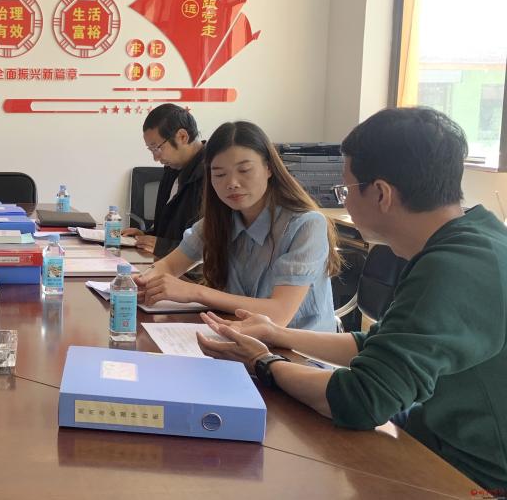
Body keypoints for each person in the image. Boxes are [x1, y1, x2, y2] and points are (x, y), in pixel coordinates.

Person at [196, 107, 507, 492]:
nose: (342, 200)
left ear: (381, 194)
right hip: (431, 434)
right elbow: (381, 345)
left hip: (470, 474)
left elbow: (361, 399)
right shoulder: (473, 238)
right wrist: (278, 335)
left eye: (345, 190)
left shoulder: (454, 268)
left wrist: (264, 362)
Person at [138, 121, 341, 331]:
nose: (232, 183)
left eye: (244, 170)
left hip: (296, 346)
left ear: (269, 168)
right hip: (239, 335)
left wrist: (194, 292)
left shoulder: (306, 225)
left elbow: (279, 314)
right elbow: (170, 266)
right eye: (219, 174)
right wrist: (141, 281)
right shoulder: (219, 221)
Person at [121, 104, 205, 258]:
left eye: (157, 148)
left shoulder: (214, 174)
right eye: (151, 150)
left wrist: (164, 247)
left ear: (182, 137)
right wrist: (146, 236)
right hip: (163, 264)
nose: (156, 158)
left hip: (189, 271)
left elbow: (211, 248)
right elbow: (168, 230)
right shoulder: (172, 169)